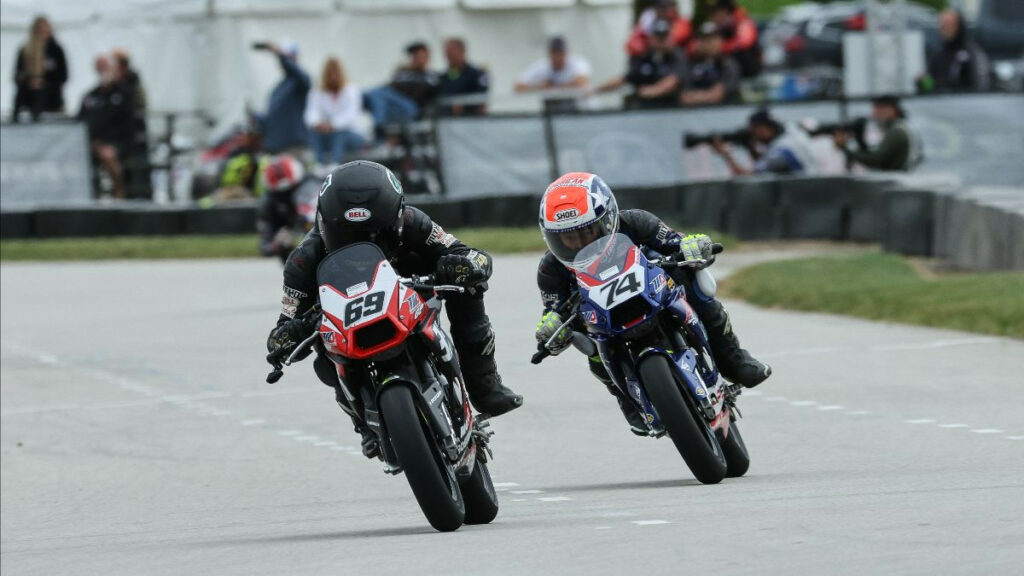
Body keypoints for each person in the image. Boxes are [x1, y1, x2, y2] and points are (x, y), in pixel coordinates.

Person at [265, 161, 522, 458]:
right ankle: (364, 424)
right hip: (349, 320)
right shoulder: (303, 260)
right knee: (322, 353)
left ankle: (484, 385)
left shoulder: (416, 223)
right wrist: (289, 335)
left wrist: (461, 265)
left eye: (374, 235)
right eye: (346, 236)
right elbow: (283, 326)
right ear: (324, 224)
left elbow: (470, 255)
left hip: (415, 292)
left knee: (470, 287)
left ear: (397, 220)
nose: (359, 245)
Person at [533, 172, 770, 434]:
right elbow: (554, 309)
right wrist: (551, 326)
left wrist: (691, 245)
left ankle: (733, 360)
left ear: (608, 218)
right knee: (585, 343)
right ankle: (628, 401)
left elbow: (674, 241)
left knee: (691, 278)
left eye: (587, 232)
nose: (580, 243)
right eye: (568, 238)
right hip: (599, 313)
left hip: (653, 285)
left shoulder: (636, 222)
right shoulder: (550, 269)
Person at [595, 19, 687, 109]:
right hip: (645, 109)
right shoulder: (644, 57)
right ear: (651, 38)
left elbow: (674, 80)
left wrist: (651, 91)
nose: (661, 41)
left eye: (664, 37)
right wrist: (596, 90)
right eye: (658, 37)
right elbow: (625, 79)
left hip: (671, 108)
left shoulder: (678, 56)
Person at [79, 55, 134, 199]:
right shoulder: (91, 95)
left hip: (118, 142)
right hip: (94, 143)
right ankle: (92, 193)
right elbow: (81, 120)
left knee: (107, 154)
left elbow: (126, 123)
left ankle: (119, 191)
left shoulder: (123, 93)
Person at [711, 108, 817, 176]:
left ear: (765, 128)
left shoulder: (781, 150)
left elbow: (748, 178)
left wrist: (726, 156)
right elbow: (765, 163)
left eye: (757, 130)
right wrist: (750, 147)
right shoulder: (792, 135)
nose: (756, 135)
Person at [363, 42, 440, 134]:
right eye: (416, 56)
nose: (418, 60)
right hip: (396, 105)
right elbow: (391, 86)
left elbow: (419, 92)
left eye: (422, 57)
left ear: (427, 58)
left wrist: (402, 87)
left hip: (412, 107)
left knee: (377, 93)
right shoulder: (403, 73)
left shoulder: (431, 76)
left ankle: (379, 126)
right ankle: (380, 126)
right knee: (372, 95)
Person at [833, 95, 922, 172]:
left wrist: (846, 149)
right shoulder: (903, 128)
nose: (873, 115)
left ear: (891, 110)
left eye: (877, 110)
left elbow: (877, 160)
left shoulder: (897, 132)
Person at [304, 57, 365, 166]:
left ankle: (335, 163)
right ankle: (319, 165)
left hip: (350, 136)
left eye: (335, 73)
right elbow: (310, 115)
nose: (333, 77)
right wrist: (318, 124)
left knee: (339, 132)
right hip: (327, 136)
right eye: (330, 74)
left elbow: (350, 116)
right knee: (314, 133)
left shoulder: (351, 91)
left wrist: (332, 125)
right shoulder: (316, 93)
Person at [257, 154, 318, 262]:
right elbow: (265, 247)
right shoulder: (269, 203)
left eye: (292, 189)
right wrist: (276, 244)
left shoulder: (313, 184)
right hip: (297, 249)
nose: (288, 195)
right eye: (283, 193)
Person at [256, 41, 311, 154]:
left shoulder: (300, 81)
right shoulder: (278, 88)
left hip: (293, 147)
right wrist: (256, 118)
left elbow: (296, 72)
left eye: (287, 57)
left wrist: (279, 54)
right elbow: (271, 118)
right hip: (275, 148)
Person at [12, 15, 68, 121]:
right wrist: (30, 81)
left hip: (50, 93)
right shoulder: (25, 50)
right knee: (24, 94)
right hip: (28, 93)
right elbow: (17, 76)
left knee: (40, 92)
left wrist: (43, 82)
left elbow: (63, 76)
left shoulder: (56, 50)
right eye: (39, 30)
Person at [920, 9, 990, 93]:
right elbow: (931, 84)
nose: (945, 29)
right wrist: (923, 82)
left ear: (959, 26)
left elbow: (981, 83)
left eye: (949, 25)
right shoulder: (936, 55)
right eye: (943, 25)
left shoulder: (972, 53)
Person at [680, 22, 740, 106]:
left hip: (724, 112)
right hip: (693, 114)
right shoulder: (690, 64)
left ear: (720, 41)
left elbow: (717, 95)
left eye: (711, 39)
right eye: (703, 39)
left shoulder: (728, 64)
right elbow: (684, 95)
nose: (707, 43)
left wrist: (696, 96)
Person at [515, 36, 592, 93]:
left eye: (561, 54)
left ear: (567, 53)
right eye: (555, 54)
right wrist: (539, 86)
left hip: (583, 110)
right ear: (549, 54)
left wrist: (552, 87)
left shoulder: (578, 62)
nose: (558, 58)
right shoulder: (541, 66)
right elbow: (518, 86)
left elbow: (580, 82)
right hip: (554, 110)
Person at [437, 37, 489, 117]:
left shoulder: (478, 74)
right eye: (446, 54)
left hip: (470, 118)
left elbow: (482, 99)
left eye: (451, 53)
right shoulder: (442, 77)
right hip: (445, 119)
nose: (448, 57)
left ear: (462, 51)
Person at [707, 0, 760, 78]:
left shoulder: (743, 21)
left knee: (737, 55)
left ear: (724, 11)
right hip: (728, 65)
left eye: (716, 13)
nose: (714, 17)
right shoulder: (719, 27)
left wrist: (721, 47)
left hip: (749, 66)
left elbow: (744, 42)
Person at [626, 0, 692, 57]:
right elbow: (632, 45)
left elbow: (678, 37)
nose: (664, 12)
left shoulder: (681, 22)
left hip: (674, 59)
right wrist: (647, 43)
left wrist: (660, 41)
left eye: (667, 8)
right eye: (661, 8)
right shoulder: (648, 19)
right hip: (652, 56)